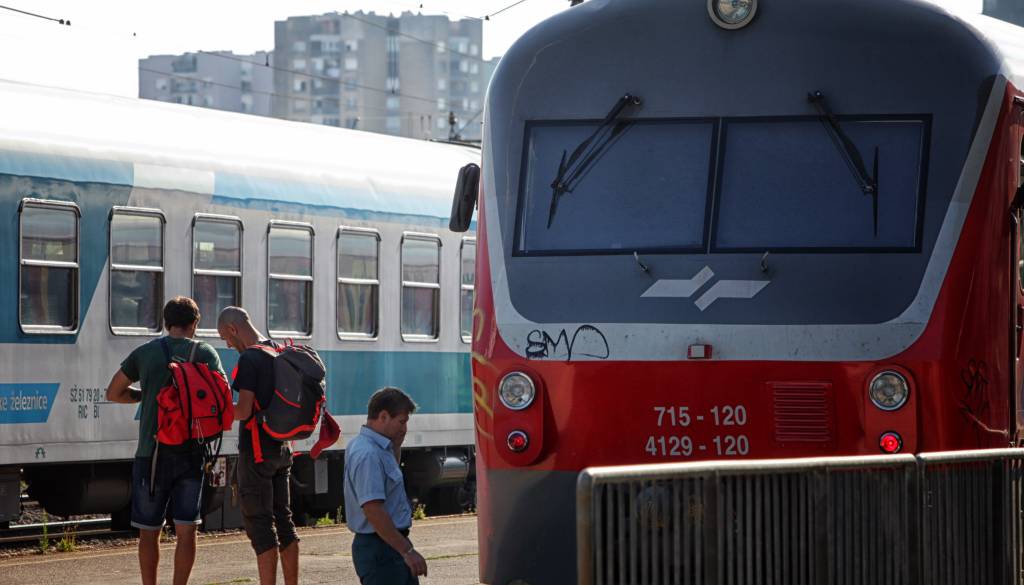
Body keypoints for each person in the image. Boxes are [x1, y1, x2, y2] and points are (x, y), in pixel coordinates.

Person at [106, 296, 225, 585]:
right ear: (195, 323)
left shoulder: (145, 353)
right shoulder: (205, 353)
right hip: (192, 451)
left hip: (151, 453)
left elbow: (113, 392)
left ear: (165, 322)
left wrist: (144, 395)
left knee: (148, 531)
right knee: (187, 530)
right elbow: (222, 398)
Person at [217, 306, 299, 585]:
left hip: (257, 452)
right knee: (284, 521)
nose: (228, 345)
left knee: (260, 526)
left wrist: (215, 410)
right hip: (283, 448)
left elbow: (243, 410)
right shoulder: (276, 348)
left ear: (233, 329)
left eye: (226, 338)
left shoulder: (250, 358)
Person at [344, 387, 428, 584]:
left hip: (389, 544)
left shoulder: (378, 448)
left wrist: (396, 446)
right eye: (401, 421)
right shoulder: (368, 454)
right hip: (381, 550)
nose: (405, 428)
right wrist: (407, 551)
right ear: (383, 416)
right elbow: (373, 510)